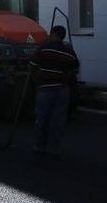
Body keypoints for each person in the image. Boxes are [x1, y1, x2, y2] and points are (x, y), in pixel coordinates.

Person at [30, 25, 79, 157]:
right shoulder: (69, 52)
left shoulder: (43, 48)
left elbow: (33, 65)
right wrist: (65, 77)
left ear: (53, 34)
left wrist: (38, 78)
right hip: (63, 89)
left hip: (45, 88)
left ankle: (39, 146)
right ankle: (54, 148)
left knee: (42, 117)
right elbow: (75, 69)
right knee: (58, 120)